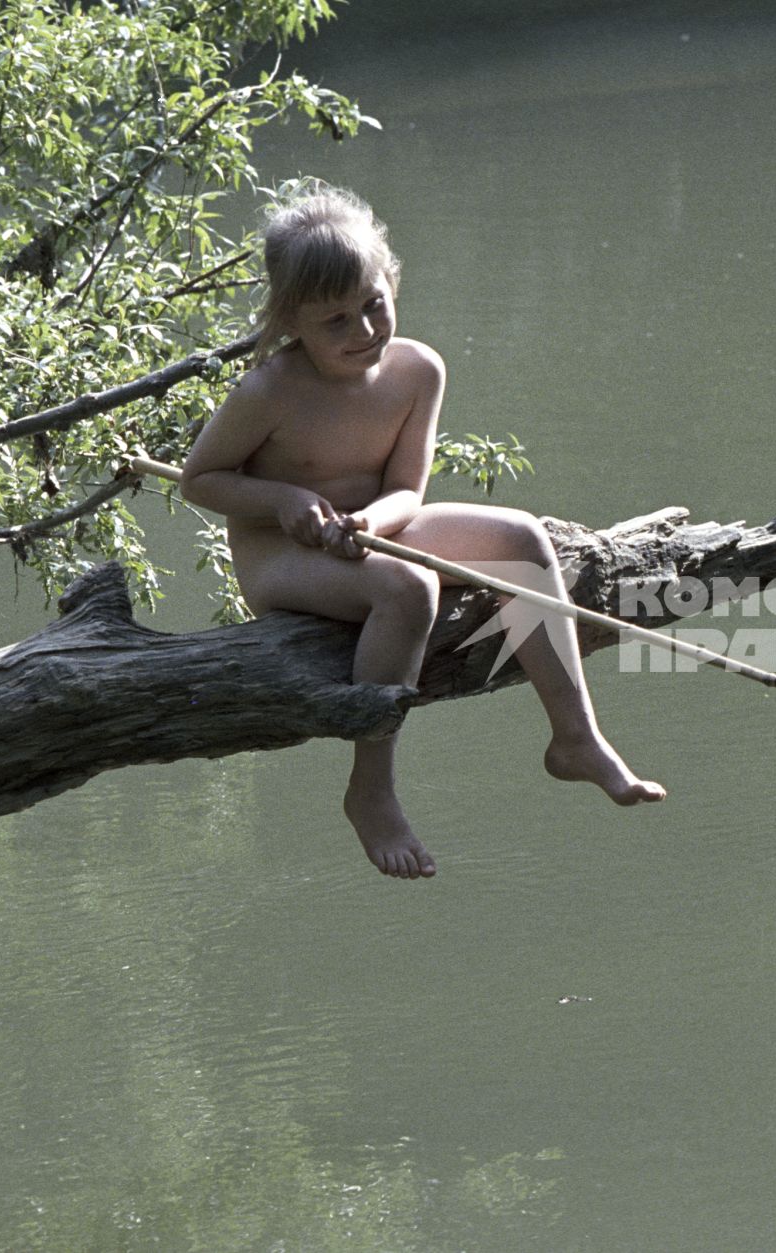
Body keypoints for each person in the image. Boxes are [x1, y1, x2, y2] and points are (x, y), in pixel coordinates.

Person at [181, 186, 664, 880]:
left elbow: (408, 490)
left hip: (378, 528)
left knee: (524, 540)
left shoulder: (418, 370)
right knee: (408, 589)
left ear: (392, 281)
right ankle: (371, 787)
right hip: (283, 559)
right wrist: (284, 498)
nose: (364, 331)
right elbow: (201, 480)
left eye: (374, 303)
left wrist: (368, 523)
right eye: (336, 320)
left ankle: (575, 736)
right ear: (293, 322)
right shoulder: (268, 392)